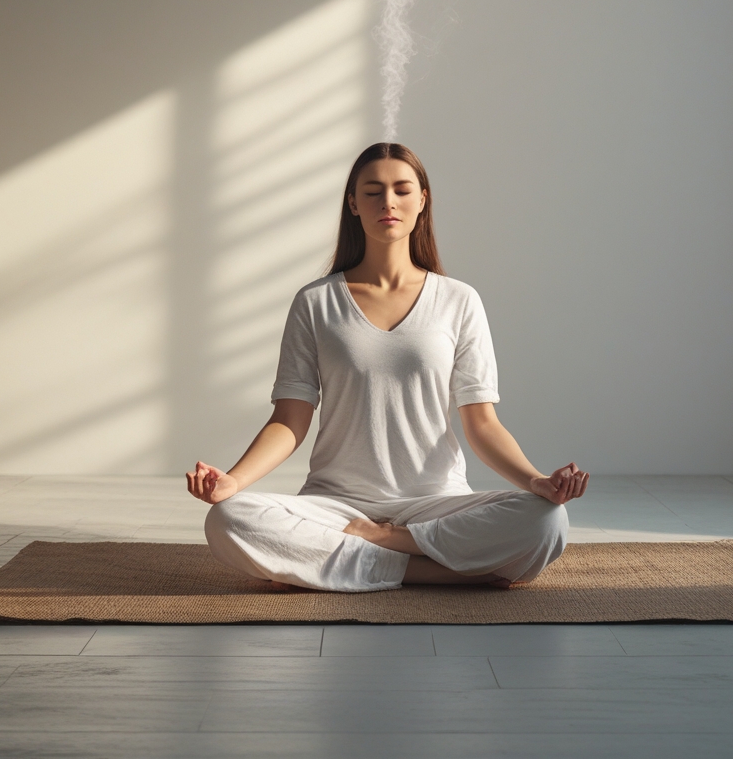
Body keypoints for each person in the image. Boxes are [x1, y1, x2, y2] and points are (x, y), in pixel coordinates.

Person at [186, 142, 589, 592]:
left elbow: (482, 424)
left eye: (401, 189)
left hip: (437, 504)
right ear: (353, 204)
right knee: (229, 518)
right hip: (335, 506)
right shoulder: (315, 302)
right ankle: (428, 569)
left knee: (546, 521)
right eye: (373, 192)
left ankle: (367, 551)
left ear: (422, 200)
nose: (388, 202)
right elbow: (289, 420)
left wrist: (536, 481)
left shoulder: (458, 300)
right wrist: (232, 481)